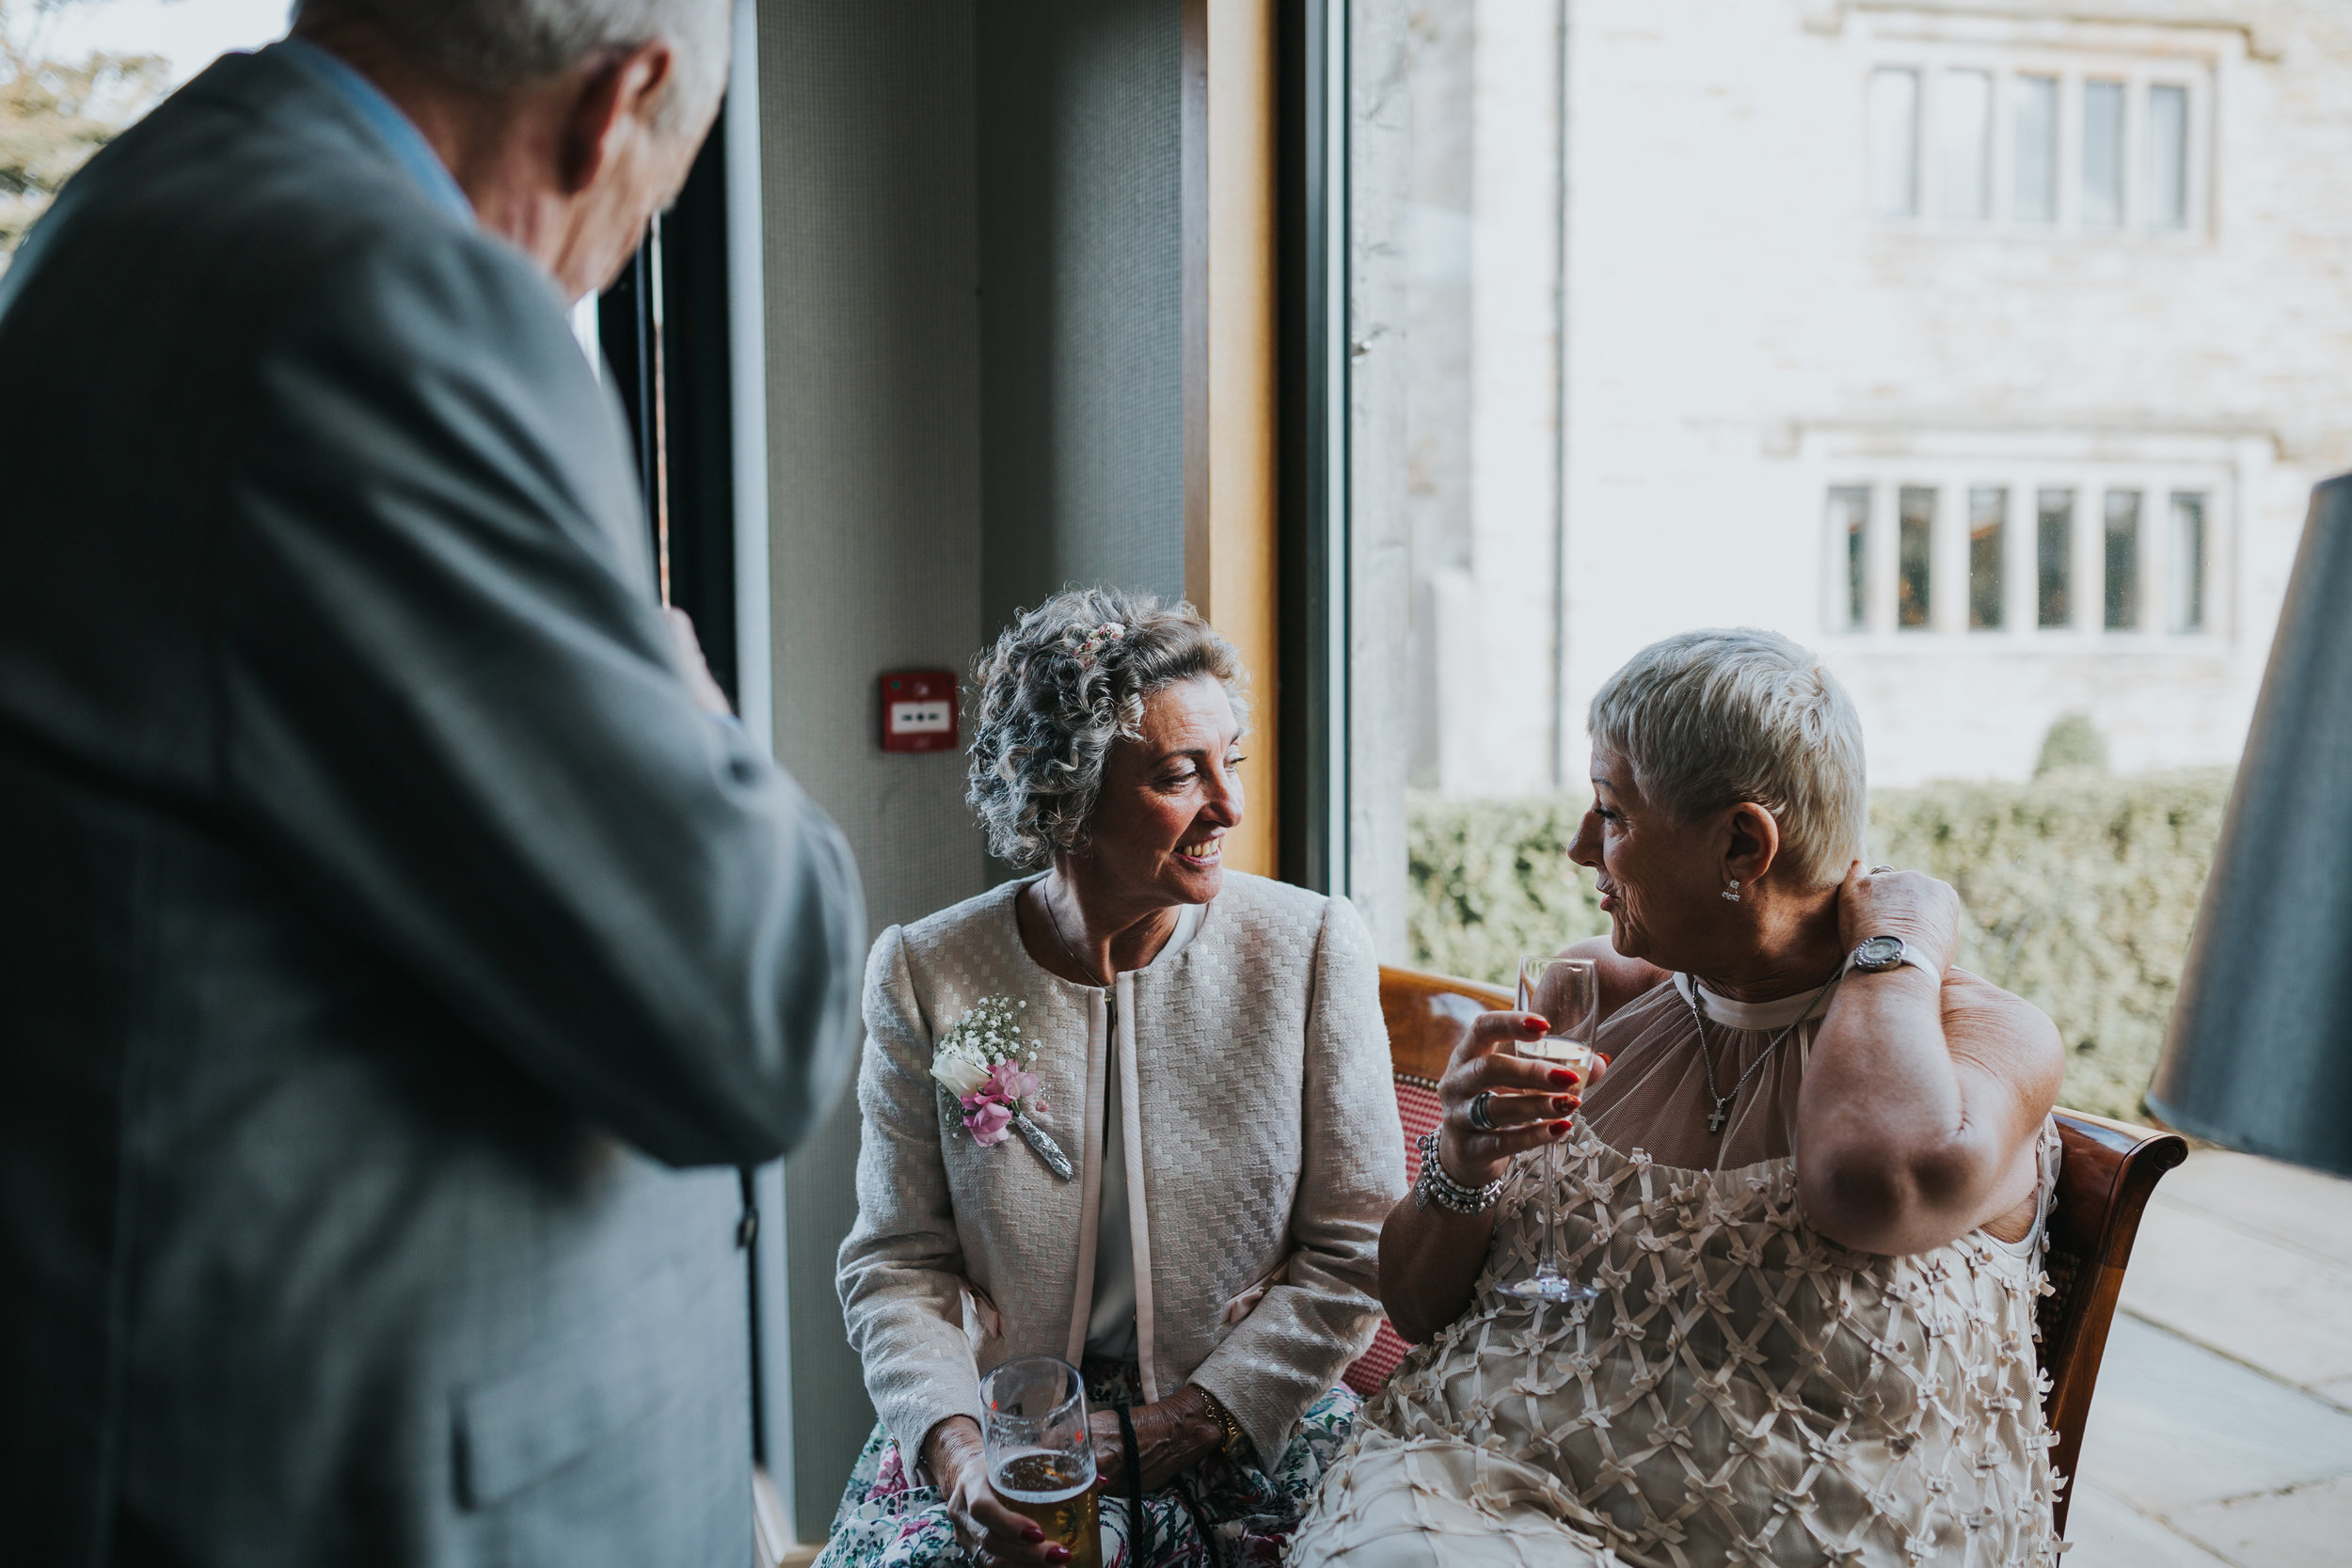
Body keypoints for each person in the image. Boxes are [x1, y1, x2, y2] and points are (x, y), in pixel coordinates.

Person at [0, 3, 866, 1565]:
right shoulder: (383, 301)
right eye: (648, 218)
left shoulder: (126, 215)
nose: (602, 260)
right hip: (383, 1495)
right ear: (620, 105)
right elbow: (756, 1008)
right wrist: (684, 694)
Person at [1291, 628, 2067, 1568]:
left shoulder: (1982, 1040)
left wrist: (1895, 943)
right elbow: (1413, 1305)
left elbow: (1869, 1183)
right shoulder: (1595, 997)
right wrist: (1464, 1155)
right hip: (1484, 1489)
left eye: (1612, 812)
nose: (1582, 846)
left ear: (1742, 841)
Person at [827, 587, 1405, 1568]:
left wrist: (1189, 1417)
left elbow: (1358, 1249)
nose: (1227, 804)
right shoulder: (926, 971)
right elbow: (896, 1262)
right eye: (1181, 774)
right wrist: (957, 1448)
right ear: (1067, 795)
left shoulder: (1306, 947)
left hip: (1239, 1413)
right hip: (1007, 1428)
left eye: (1233, 763)